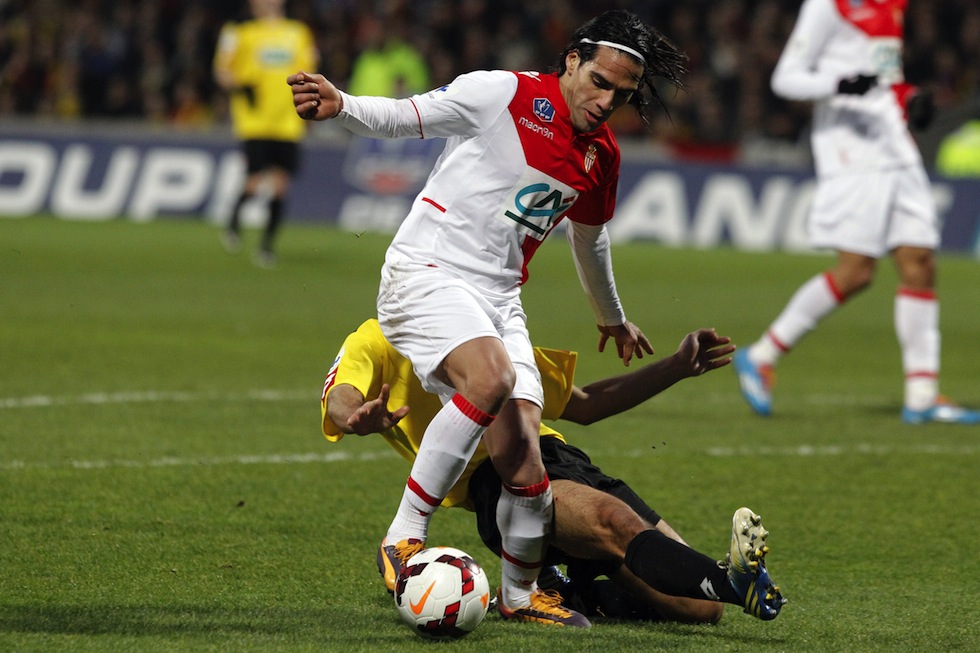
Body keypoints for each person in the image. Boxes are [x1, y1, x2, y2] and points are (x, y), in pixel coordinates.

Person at [290, 10, 686, 627]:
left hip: (499, 296)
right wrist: (342, 104)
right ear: (573, 61)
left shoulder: (601, 155)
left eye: (623, 94)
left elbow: (591, 239)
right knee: (491, 378)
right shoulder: (502, 93)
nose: (608, 102)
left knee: (523, 450)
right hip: (426, 270)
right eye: (600, 82)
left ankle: (520, 596)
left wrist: (612, 318)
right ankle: (403, 536)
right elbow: (410, 115)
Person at [321, 319, 787, 623]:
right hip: (500, 479)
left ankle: (576, 594)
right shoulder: (381, 335)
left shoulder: (487, 325)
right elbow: (341, 393)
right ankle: (735, 581)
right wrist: (354, 416)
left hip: (565, 459)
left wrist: (676, 366)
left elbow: (585, 404)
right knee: (615, 523)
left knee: (702, 609)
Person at [733, 0, 980, 425]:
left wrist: (907, 97)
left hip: (895, 145)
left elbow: (882, 77)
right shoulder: (828, 6)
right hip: (852, 152)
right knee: (856, 271)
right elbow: (786, 78)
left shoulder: (892, 6)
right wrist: (841, 84)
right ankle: (762, 355)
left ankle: (922, 396)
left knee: (920, 262)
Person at [213, 0, 318, 267]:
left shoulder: (298, 32)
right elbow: (221, 70)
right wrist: (239, 85)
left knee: (280, 186)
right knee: (255, 180)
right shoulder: (238, 31)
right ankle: (234, 218)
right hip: (255, 121)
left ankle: (266, 246)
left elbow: (310, 72)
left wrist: (309, 109)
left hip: (288, 122)